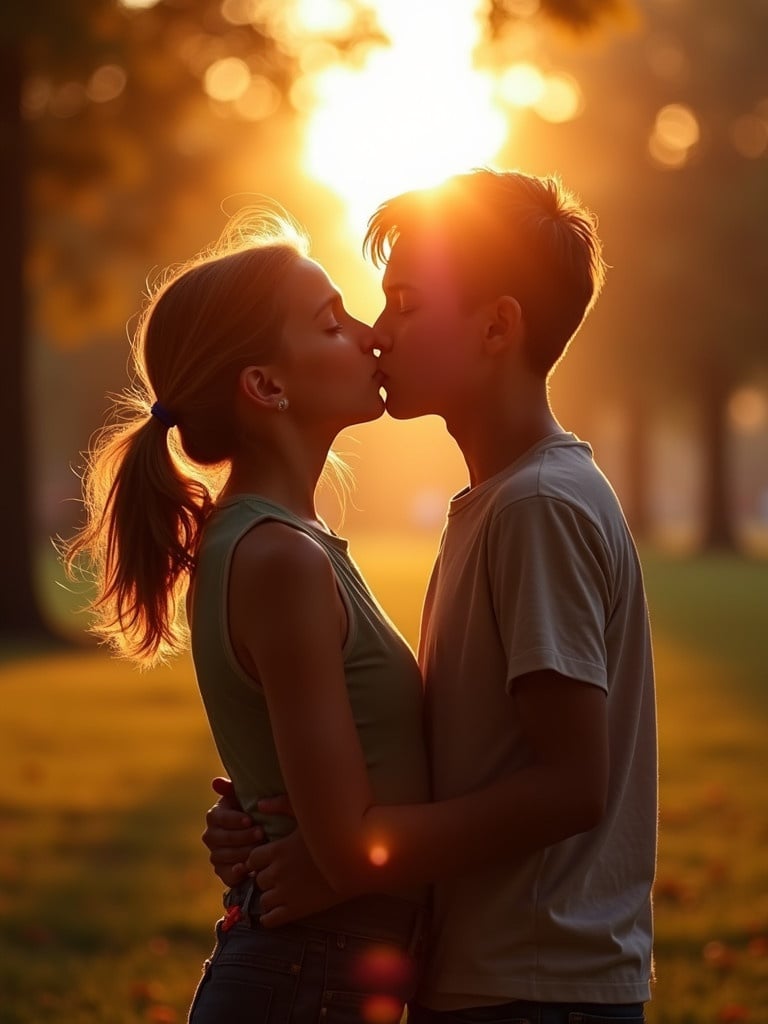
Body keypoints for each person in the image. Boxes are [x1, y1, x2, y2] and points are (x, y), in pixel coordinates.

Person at [203, 169, 657, 1023]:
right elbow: (464, 756)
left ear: (496, 326)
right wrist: (287, 820)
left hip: (534, 985)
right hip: (495, 974)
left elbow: (572, 784)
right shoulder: (497, 502)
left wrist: (356, 856)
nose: (376, 333)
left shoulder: (537, 507)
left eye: (405, 304)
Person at [63, 209, 434, 1023]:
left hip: (320, 970)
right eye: (332, 324)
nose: (371, 336)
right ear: (267, 386)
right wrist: (546, 811)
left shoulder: (282, 545)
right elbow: (346, 844)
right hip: (309, 977)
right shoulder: (278, 560)